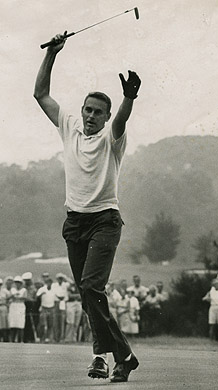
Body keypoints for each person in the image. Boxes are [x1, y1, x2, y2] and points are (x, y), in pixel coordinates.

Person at [34, 31, 141, 382]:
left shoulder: (113, 138)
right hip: (74, 221)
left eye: (99, 112)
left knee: (92, 287)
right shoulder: (70, 128)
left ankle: (106, 354)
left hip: (105, 221)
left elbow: (122, 120)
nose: (92, 116)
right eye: (88, 110)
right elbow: (41, 94)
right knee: (87, 290)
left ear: (107, 116)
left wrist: (129, 99)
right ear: (81, 111)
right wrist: (52, 53)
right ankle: (118, 356)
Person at [36, 278, 56, 343]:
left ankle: (48, 338)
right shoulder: (42, 289)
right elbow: (37, 296)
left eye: (50, 282)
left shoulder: (54, 289)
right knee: (42, 324)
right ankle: (41, 337)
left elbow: (59, 297)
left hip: (51, 308)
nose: (49, 284)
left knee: (50, 324)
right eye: (48, 282)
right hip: (44, 308)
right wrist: (41, 294)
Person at [8, 276, 27, 342]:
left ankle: (20, 340)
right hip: (13, 306)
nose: (17, 284)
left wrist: (17, 297)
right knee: (13, 324)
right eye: (16, 282)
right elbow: (9, 297)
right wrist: (14, 296)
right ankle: (12, 340)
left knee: (20, 324)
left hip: (20, 306)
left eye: (19, 282)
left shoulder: (24, 290)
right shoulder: (12, 290)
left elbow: (24, 298)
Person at [52, 273, 68, 342]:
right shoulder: (54, 285)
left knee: (62, 320)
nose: (60, 280)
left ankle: (61, 337)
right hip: (56, 303)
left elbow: (72, 283)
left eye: (61, 278)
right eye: (59, 278)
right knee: (56, 320)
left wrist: (65, 277)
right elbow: (55, 294)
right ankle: (56, 338)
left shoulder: (65, 285)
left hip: (63, 303)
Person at [22, 272, 38, 343]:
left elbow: (35, 298)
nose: (26, 282)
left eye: (27, 280)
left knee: (30, 322)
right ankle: (25, 338)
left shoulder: (33, 288)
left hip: (31, 305)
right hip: (24, 305)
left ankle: (31, 338)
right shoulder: (23, 287)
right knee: (24, 322)